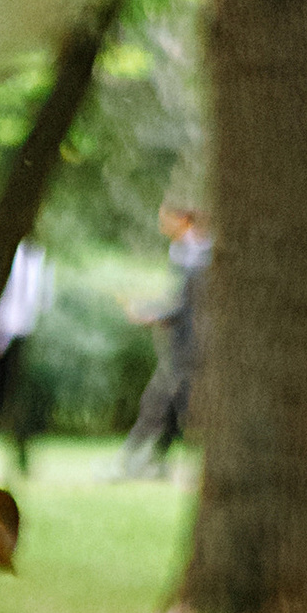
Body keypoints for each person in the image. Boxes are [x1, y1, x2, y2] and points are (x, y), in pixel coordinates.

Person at [119, 198, 210, 476]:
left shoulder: (199, 253)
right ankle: (151, 460)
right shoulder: (182, 251)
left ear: (182, 219)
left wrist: (152, 314)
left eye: (165, 219)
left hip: (194, 340)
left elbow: (187, 303)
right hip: (182, 339)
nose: (161, 227)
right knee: (171, 400)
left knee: (164, 399)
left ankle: (134, 459)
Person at [0, 238, 53, 471]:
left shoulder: (35, 255)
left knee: (11, 395)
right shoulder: (16, 253)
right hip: (4, 330)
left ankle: (18, 450)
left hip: (15, 331)